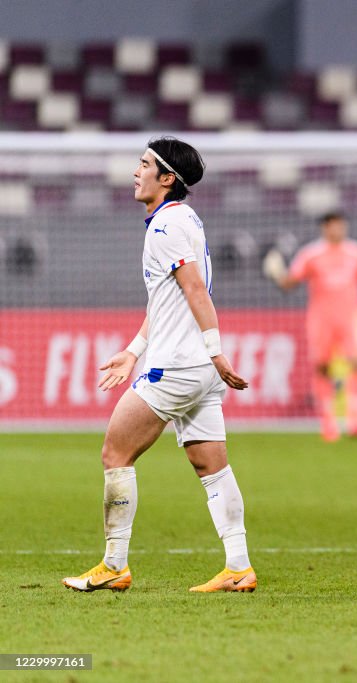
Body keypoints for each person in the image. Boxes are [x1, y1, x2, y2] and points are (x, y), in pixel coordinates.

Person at [63, 136, 256, 593]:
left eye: (145, 164)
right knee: (212, 466)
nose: (136, 171)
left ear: (167, 178)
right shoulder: (183, 219)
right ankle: (238, 567)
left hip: (177, 367)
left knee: (116, 452)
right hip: (196, 370)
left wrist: (215, 349)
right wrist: (133, 350)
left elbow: (195, 291)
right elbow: (167, 299)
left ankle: (114, 565)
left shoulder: (166, 226)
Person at [263, 212, 357, 441]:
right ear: (325, 228)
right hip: (321, 320)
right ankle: (328, 424)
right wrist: (276, 273)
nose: (338, 230)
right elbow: (289, 284)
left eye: (341, 225)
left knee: (355, 363)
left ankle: (356, 421)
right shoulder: (310, 254)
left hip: (349, 318)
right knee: (323, 367)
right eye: (334, 226)